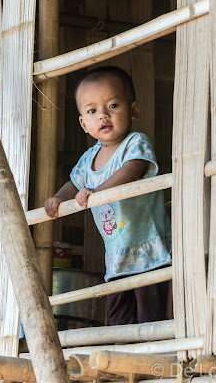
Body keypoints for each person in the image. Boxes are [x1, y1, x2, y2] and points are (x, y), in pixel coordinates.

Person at [44, 66, 172, 325]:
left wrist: (99, 192)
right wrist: (58, 197)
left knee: (149, 318)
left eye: (112, 105)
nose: (103, 115)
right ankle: (118, 361)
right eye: (92, 111)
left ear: (133, 110)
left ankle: (147, 362)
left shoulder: (135, 143)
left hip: (151, 250)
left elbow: (134, 168)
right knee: (118, 319)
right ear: (83, 123)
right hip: (117, 257)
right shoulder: (88, 158)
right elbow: (73, 182)